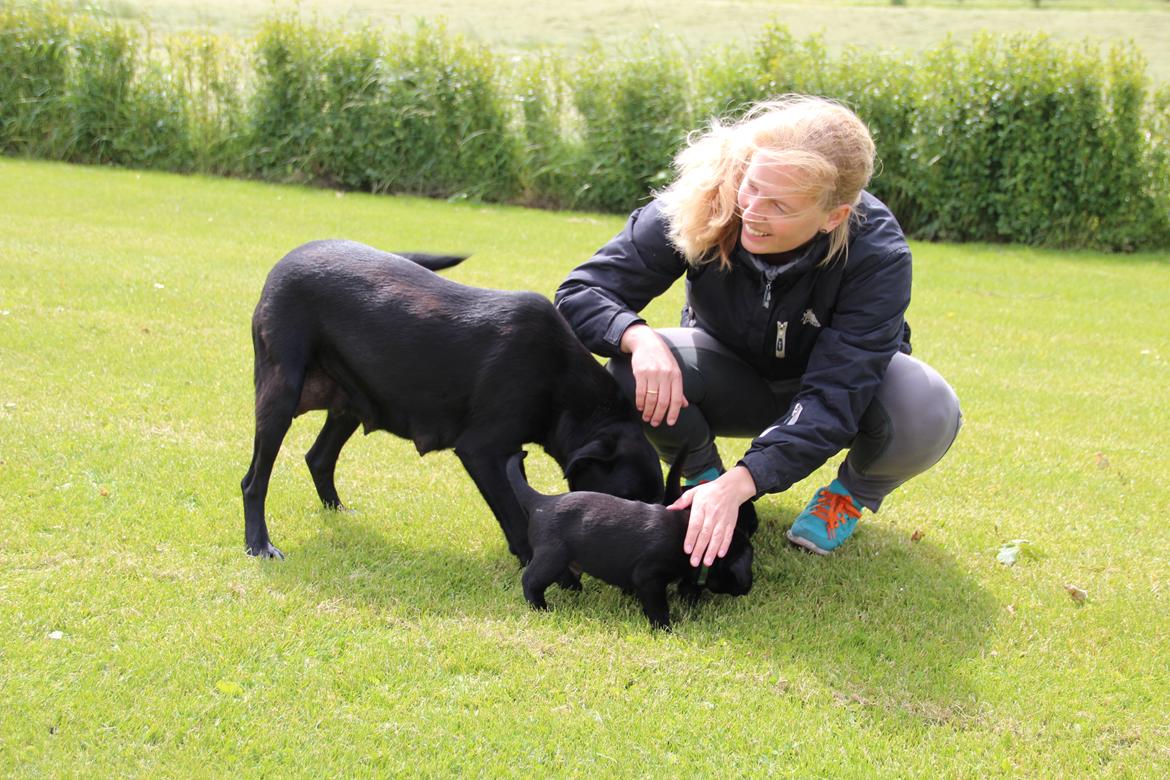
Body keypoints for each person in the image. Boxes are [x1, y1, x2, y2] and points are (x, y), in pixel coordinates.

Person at [553, 95, 962, 570]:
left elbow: (836, 393)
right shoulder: (707, 198)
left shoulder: (878, 255)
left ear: (834, 216)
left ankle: (849, 495)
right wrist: (636, 336)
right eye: (752, 187)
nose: (752, 211)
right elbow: (581, 291)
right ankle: (702, 475)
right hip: (729, 376)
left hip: (834, 393)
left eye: (779, 205)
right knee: (630, 367)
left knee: (925, 405)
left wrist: (746, 480)